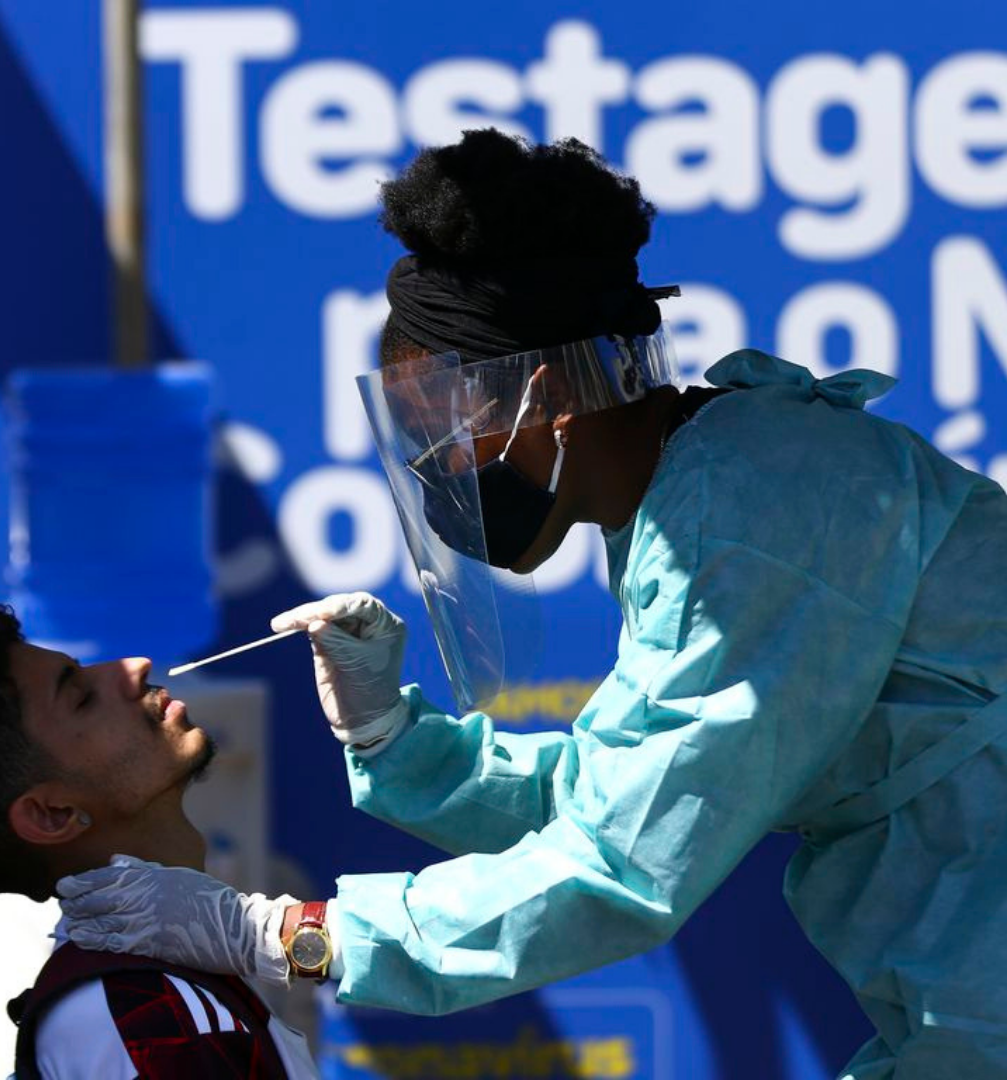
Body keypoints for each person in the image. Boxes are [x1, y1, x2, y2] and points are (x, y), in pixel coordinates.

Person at [60, 130, 1007, 1079]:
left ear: (542, 397)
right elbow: (619, 797)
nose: (440, 478)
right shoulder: (692, 504)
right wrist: (397, 737)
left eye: (447, 439)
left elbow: (619, 871)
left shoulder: (756, 515)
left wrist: (290, 936)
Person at [0, 604, 319, 1079]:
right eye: (82, 698)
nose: (135, 666)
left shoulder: (151, 991)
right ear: (54, 814)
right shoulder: (144, 1015)